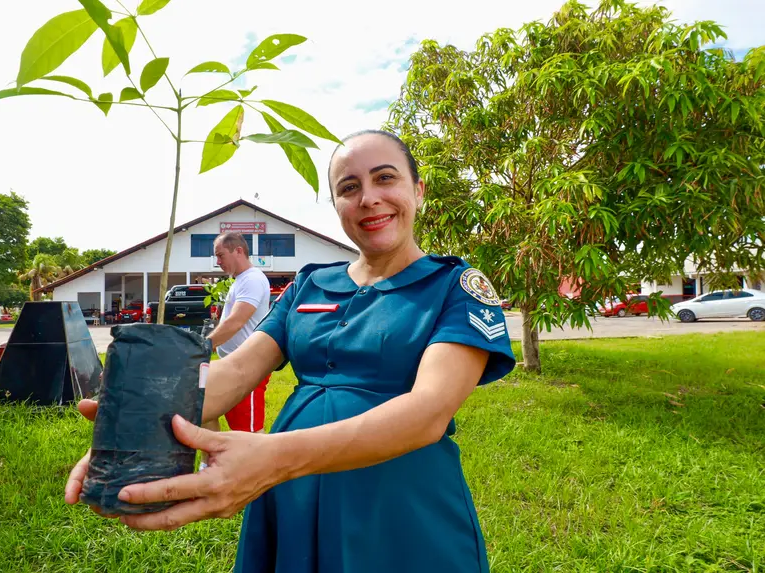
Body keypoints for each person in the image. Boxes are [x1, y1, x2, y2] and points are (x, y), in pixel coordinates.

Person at [66, 130, 516, 572]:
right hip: (292, 492)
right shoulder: (311, 282)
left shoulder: (456, 287)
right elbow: (239, 370)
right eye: (349, 187)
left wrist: (273, 459)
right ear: (336, 204)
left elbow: (427, 413)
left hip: (396, 502)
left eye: (385, 179)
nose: (368, 198)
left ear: (417, 190)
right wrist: (135, 430)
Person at [205, 232, 272, 437]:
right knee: (204, 410)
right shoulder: (241, 280)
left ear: (238, 251)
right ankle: (210, 462)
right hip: (232, 365)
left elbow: (236, 321)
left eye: (220, 255)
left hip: (247, 367)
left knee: (249, 433)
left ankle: (264, 468)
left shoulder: (252, 279)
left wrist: (203, 346)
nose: (217, 262)